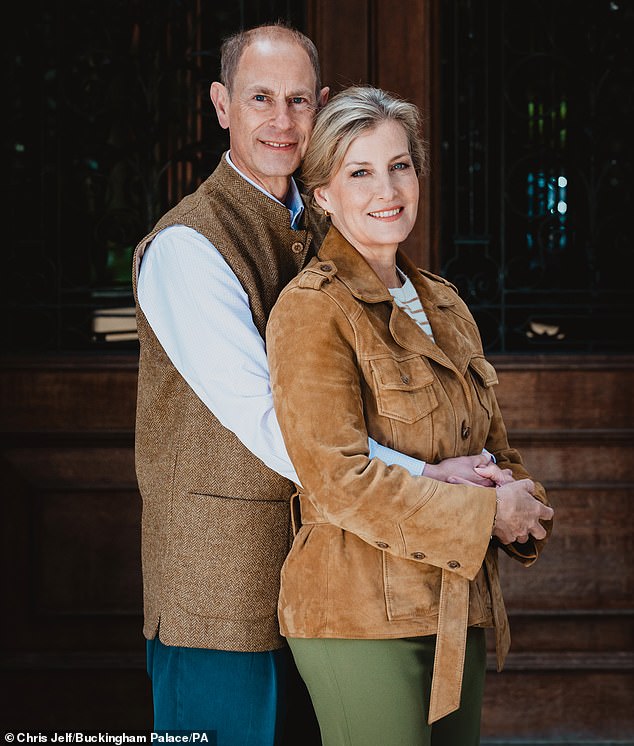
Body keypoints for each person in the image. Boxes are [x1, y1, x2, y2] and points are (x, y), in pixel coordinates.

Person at [132, 22, 492, 745]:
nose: (281, 119)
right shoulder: (187, 247)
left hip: (334, 579)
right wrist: (433, 481)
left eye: (299, 100)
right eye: (259, 97)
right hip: (223, 587)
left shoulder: (329, 226)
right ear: (221, 105)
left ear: (321, 105)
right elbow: (272, 420)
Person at [266, 85, 555, 746]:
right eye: (359, 172)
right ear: (322, 195)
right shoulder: (312, 309)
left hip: (456, 604)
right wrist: (487, 513)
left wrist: (520, 502)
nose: (386, 188)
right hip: (357, 612)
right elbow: (335, 479)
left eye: (400, 165)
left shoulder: (446, 304)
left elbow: (493, 449)